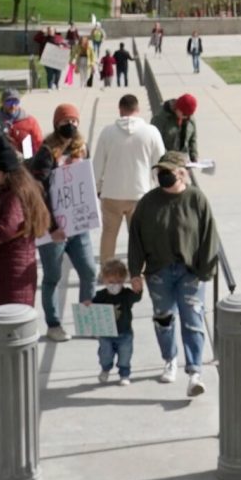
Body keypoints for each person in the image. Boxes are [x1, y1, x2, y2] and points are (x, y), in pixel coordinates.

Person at [127, 151, 220, 398]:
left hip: (190, 272)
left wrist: (204, 270)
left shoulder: (196, 199)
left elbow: (210, 236)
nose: (163, 175)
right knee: (164, 318)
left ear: (182, 172)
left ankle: (194, 371)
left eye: (168, 171)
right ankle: (170, 359)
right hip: (159, 272)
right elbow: (135, 239)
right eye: (160, 172)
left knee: (193, 319)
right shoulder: (147, 203)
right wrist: (135, 272)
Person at [29, 103, 98, 341]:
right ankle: (54, 324)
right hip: (53, 229)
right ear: (56, 124)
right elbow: (39, 191)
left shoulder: (82, 148)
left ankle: (88, 323)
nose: (70, 125)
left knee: (89, 271)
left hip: (78, 226)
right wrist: (52, 226)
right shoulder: (46, 152)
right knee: (52, 276)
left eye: (74, 121)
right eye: (65, 121)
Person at [0, 138, 49, 308]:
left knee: (10, 323)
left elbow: (6, 230)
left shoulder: (13, 195)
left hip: (11, 269)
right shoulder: (17, 189)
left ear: (3, 170)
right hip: (14, 266)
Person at [95, 93, 165, 259]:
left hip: (112, 193)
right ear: (138, 109)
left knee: (109, 235)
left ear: (120, 110)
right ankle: (138, 272)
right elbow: (160, 163)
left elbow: (97, 165)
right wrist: (161, 189)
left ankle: (106, 271)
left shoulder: (107, 132)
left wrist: (98, 188)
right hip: (140, 193)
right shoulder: (151, 132)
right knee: (139, 237)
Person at [91, 256, 141, 384]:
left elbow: (137, 297)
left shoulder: (127, 294)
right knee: (105, 354)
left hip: (124, 332)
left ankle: (124, 374)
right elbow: (92, 307)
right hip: (106, 333)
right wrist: (87, 304)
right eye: (111, 282)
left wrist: (138, 287)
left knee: (125, 356)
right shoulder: (100, 295)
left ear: (124, 280)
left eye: (119, 281)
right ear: (104, 280)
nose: (115, 285)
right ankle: (105, 369)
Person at [0, 90, 44, 158]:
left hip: (27, 160)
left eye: (16, 102)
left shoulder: (30, 121)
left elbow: (39, 142)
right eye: (9, 102)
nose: (13, 105)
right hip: (3, 161)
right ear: (2, 103)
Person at [152, 93, 198, 162]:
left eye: (188, 115)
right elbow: (155, 141)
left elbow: (193, 139)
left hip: (182, 160)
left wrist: (194, 156)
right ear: (177, 108)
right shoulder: (161, 118)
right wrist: (168, 158)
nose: (185, 117)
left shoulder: (189, 119)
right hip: (165, 161)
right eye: (184, 114)